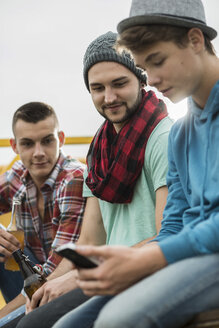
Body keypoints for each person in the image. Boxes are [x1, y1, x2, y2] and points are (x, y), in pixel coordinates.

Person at [49, 1, 219, 328]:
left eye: (157, 61)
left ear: (195, 40)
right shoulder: (183, 132)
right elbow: (172, 225)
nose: (151, 79)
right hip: (190, 255)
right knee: (66, 325)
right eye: (145, 66)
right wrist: (132, 258)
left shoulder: (165, 132)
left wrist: (148, 257)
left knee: (116, 320)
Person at [15, 31, 172, 328]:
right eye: (97, 88)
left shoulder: (163, 137)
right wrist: (49, 285)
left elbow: (167, 236)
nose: (109, 97)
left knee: (31, 327)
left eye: (119, 83)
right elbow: (89, 241)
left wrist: (77, 278)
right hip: (103, 273)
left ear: (141, 79)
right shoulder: (99, 150)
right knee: (18, 320)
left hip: (144, 274)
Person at [0, 102, 86, 325]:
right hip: (30, 277)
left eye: (47, 141)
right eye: (28, 144)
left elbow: (53, 273)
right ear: (15, 146)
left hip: (62, 286)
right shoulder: (17, 175)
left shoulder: (73, 178)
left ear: (62, 139)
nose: (38, 153)